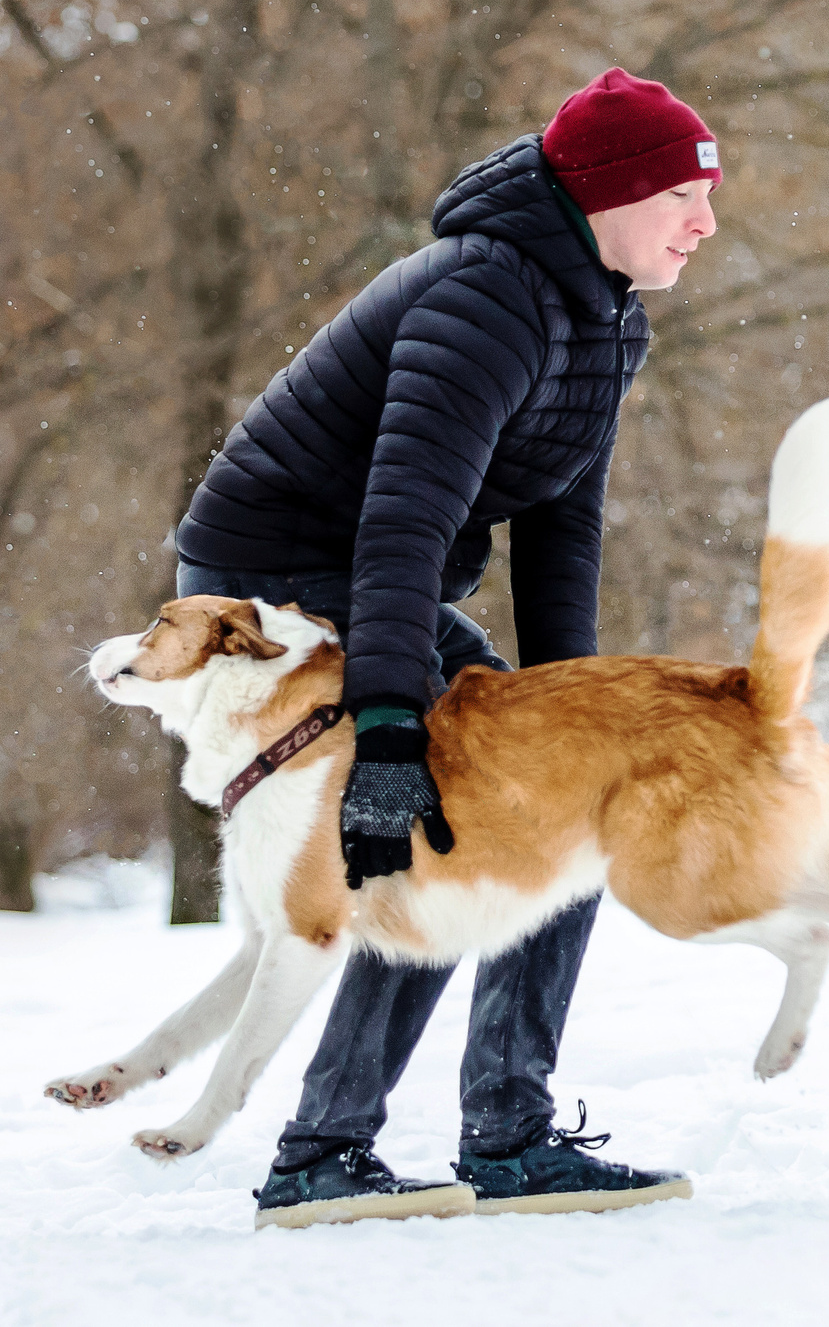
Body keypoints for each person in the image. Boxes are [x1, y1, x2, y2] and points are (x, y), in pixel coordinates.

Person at [172, 67, 721, 1226]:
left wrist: (567, 709)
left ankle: (504, 1136)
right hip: (274, 591)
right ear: (612, 196)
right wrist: (384, 732)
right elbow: (403, 521)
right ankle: (331, 1149)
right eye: (683, 193)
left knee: (567, 795)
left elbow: (562, 525)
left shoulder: (605, 315)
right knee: (429, 815)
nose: (704, 222)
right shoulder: (484, 298)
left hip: (375, 578)